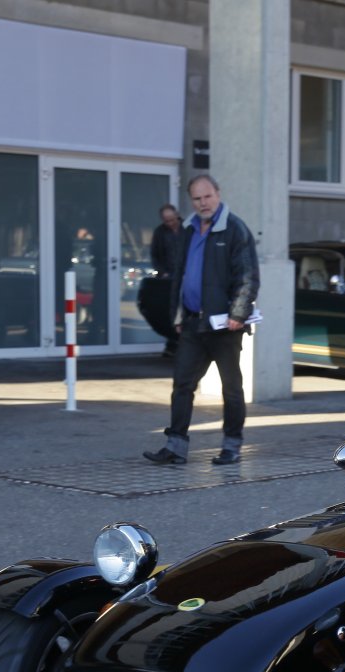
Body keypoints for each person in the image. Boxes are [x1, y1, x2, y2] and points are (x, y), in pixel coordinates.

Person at [143, 174, 259, 467]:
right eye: (197, 198)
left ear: (218, 193)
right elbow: (180, 276)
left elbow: (247, 276)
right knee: (182, 385)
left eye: (207, 196)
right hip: (193, 324)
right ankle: (175, 447)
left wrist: (238, 314)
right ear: (191, 201)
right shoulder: (187, 229)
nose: (203, 203)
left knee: (231, 388)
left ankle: (231, 446)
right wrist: (178, 315)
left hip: (225, 326)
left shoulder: (235, 229)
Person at [143, 204, 184, 357]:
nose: (170, 223)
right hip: (170, 277)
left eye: (172, 220)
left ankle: (181, 343)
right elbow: (155, 254)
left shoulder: (188, 228)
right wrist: (162, 272)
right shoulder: (160, 232)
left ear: (177, 216)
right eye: (166, 221)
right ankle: (172, 342)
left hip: (186, 275)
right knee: (170, 311)